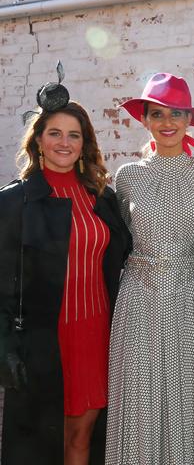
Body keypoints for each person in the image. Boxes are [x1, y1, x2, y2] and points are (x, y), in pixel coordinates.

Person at [0, 76, 130, 464]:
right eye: (54, 133)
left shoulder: (102, 197)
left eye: (74, 135)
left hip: (97, 332)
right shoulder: (14, 202)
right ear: (38, 139)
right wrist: (5, 347)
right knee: (42, 443)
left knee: (83, 436)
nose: (64, 143)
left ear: (84, 143)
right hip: (44, 341)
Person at [105, 73, 194, 464]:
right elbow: (120, 237)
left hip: (189, 298)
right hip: (137, 300)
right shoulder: (127, 177)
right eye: (158, 114)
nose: (168, 122)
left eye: (176, 113)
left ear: (189, 119)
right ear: (145, 120)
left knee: (191, 390)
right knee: (138, 392)